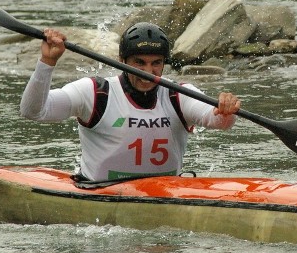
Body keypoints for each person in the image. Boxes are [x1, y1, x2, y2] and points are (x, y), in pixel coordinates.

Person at [20, 22, 241, 182]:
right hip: (100, 192)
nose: (148, 72)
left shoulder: (177, 94)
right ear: (121, 61)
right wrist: (47, 62)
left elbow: (220, 122)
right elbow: (34, 111)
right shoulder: (96, 93)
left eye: (156, 63)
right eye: (139, 63)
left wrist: (225, 110)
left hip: (164, 195)